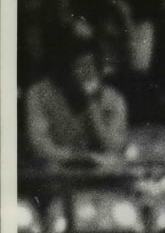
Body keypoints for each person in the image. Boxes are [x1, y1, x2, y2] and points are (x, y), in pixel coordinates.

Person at [22, 35, 128, 168]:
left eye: (91, 65)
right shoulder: (38, 93)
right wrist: (75, 158)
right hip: (56, 175)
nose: (87, 73)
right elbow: (40, 146)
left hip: (100, 175)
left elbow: (115, 147)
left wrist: (92, 104)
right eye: (80, 66)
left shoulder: (113, 98)